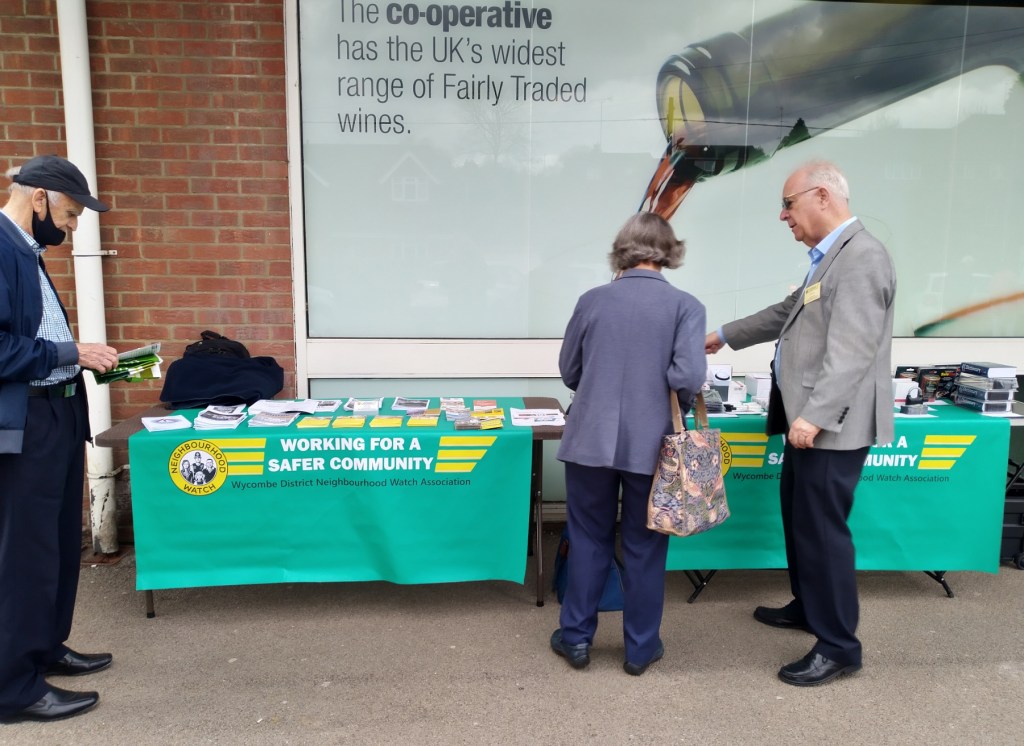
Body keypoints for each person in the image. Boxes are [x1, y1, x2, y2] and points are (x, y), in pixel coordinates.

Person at [705, 160, 896, 687]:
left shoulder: (861, 257)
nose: (783, 215)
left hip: (830, 426)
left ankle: (839, 646)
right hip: (808, 422)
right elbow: (788, 312)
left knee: (823, 533)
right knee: (799, 519)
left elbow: (853, 350)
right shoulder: (829, 258)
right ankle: (810, 606)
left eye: (788, 203)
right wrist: (722, 335)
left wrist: (814, 416)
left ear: (822, 196)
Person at [551, 212, 706, 675]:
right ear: (669, 252)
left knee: (587, 538)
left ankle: (576, 639)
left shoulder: (592, 300)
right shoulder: (686, 306)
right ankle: (640, 649)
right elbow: (687, 377)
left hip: (588, 440)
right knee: (645, 545)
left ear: (622, 251)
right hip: (653, 444)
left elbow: (570, 370)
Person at [0, 155, 120, 723]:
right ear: (40, 197)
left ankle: (45, 647)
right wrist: (72, 352)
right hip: (27, 420)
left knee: (55, 543)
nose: (71, 228)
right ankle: (13, 688)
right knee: (24, 553)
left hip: (58, 411)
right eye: (70, 215)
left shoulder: (26, 251)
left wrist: (81, 361)